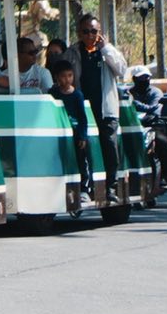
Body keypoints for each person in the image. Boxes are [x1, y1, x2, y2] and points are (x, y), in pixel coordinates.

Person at [62, 14, 127, 189]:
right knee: (83, 146)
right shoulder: (72, 52)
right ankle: (86, 184)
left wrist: (106, 48)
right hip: (83, 108)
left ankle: (111, 185)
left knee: (109, 146)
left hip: (105, 108)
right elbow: (62, 73)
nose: (90, 35)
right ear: (79, 33)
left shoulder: (108, 51)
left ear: (100, 32)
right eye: (85, 31)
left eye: (94, 31)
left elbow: (122, 70)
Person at [50, 58, 95, 204]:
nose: (67, 79)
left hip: (76, 133)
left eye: (70, 75)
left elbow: (83, 118)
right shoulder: (52, 93)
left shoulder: (77, 95)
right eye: (63, 76)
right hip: (59, 133)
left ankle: (84, 188)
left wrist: (83, 136)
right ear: (56, 77)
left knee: (82, 159)